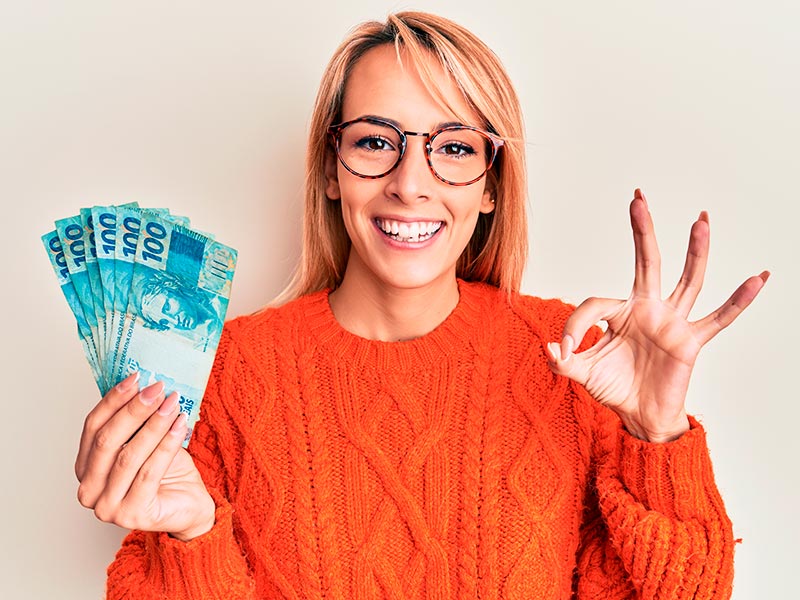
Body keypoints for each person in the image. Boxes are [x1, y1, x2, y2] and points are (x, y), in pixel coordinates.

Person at [74, 11, 767, 599]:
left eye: (455, 148)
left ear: (492, 186)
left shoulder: (579, 360)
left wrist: (658, 437)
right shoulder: (223, 370)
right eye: (376, 142)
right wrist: (191, 539)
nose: (411, 183)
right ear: (329, 171)